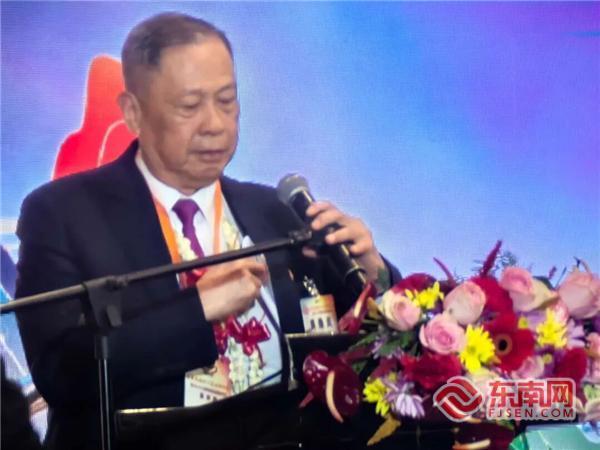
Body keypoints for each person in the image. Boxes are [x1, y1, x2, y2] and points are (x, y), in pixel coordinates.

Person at [15, 12, 400, 450]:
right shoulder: (63, 214)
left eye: (226, 101)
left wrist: (376, 275)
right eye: (190, 106)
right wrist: (195, 311)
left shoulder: (277, 212)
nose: (215, 124)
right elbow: (61, 373)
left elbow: (371, 348)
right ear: (134, 113)